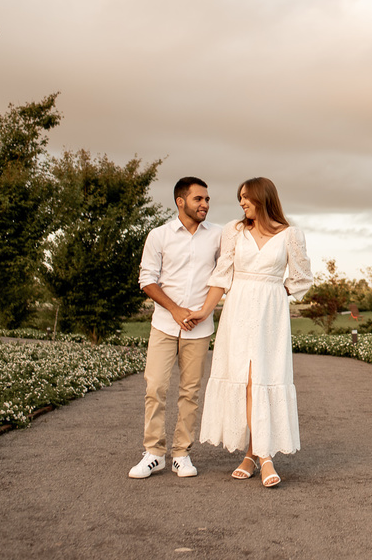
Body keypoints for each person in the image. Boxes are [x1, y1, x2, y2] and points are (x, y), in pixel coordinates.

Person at [187, 176, 312, 487]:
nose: (241, 202)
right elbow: (222, 275)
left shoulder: (291, 235)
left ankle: (259, 455)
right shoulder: (234, 230)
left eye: (246, 197)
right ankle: (258, 455)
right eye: (239, 197)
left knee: (264, 379)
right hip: (238, 310)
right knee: (245, 381)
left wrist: (276, 293)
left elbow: (301, 278)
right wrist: (204, 311)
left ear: (263, 197)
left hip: (270, 314)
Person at [128, 176, 222, 479]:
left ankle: (182, 454)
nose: (205, 204)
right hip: (164, 325)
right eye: (199, 199)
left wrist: (203, 311)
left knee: (190, 392)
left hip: (200, 327)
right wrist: (176, 310)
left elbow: (224, 275)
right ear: (180, 201)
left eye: (207, 199)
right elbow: (147, 279)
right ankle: (154, 453)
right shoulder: (159, 236)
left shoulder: (219, 236)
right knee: (155, 387)